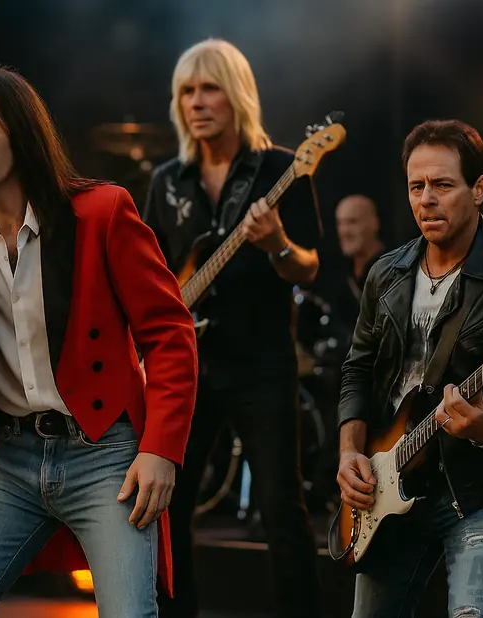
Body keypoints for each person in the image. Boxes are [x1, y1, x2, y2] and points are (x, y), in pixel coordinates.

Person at [0, 66, 198, 617]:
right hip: (13, 456)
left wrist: (160, 449)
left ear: (21, 132)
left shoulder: (102, 213)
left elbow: (170, 334)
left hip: (104, 452)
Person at [337, 119, 483, 617]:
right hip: (388, 482)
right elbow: (357, 368)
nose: (426, 199)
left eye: (442, 185)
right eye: (417, 186)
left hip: (480, 490)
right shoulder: (387, 273)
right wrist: (350, 452)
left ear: (478, 189)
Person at [141, 38, 323, 618]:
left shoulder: (281, 167)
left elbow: (310, 265)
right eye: (187, 91)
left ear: (236, 93)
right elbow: (146, 277)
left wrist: (277, 246)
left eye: (209, 87)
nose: (197, 102)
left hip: (261, 363)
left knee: (282, 511)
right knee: (167, 509)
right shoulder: (166, 180)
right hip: (182, 371)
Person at [329, 194, 385, 336]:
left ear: (374, 224)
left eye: (352, 222)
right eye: (340, 223)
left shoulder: (393, 270)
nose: (344, 231)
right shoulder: (340, 272)